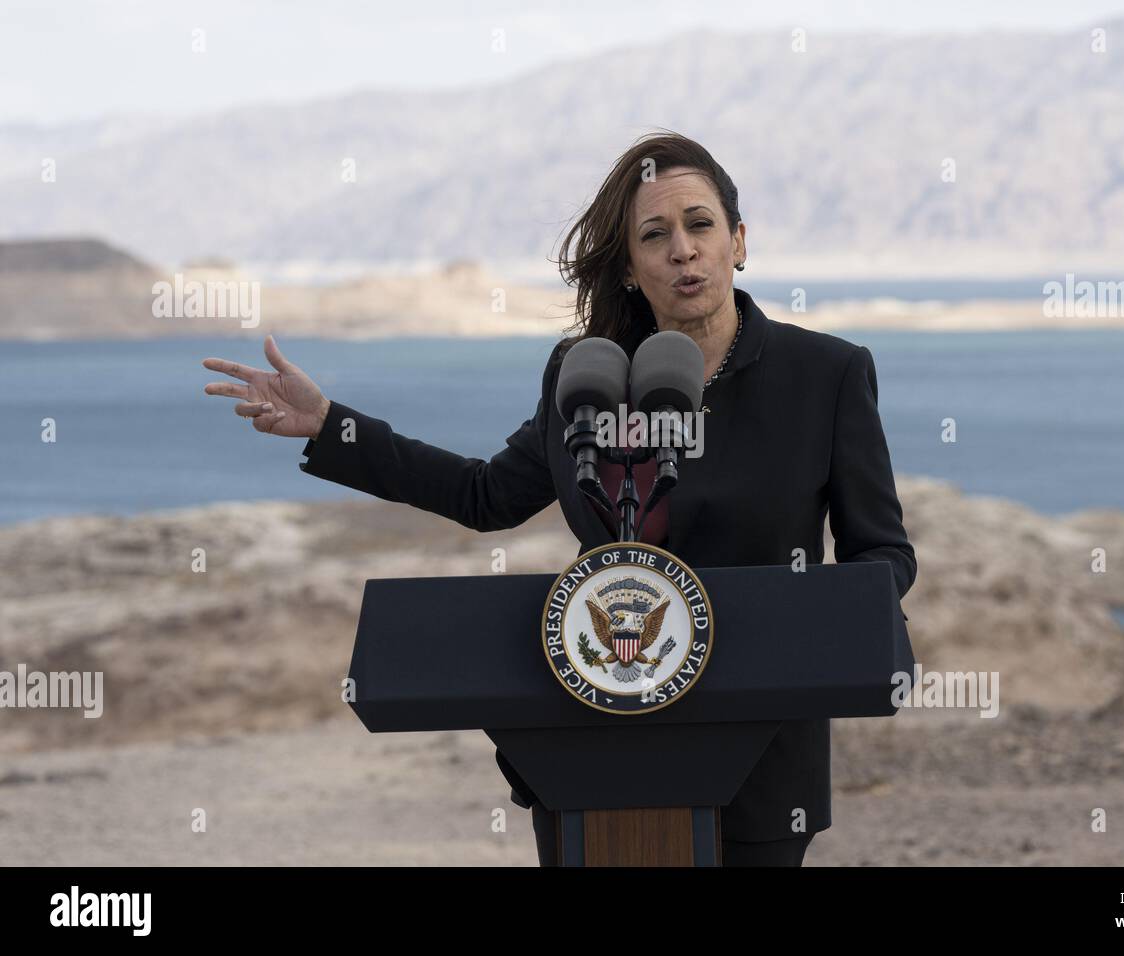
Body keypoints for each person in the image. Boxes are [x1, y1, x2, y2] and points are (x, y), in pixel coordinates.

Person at [202, 130, 917, 867]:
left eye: (700, 225)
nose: (683, 249)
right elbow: (487, 497)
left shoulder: (824, 375)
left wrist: (822, 621)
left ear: (738, 241)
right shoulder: (587, 374)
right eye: (654, 235)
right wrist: (331, 428)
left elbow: (882, 551)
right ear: (632, 267)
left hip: (761, 755)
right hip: (594, 742)